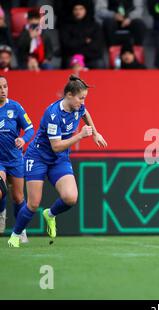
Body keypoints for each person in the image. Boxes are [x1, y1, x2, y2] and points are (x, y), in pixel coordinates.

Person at [7, 75, 107, 248]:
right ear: (68, 95)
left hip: (58, 160)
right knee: (33, 203)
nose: (82, 102)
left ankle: (50, 214)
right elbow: (56, 146)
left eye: (84, 98)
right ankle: (15, 235)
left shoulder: (78, 107)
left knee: (71, 197)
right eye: (80, 98)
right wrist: (81, 135)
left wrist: (95, 133)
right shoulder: (53, 114)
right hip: (38, 157)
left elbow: (85, 113)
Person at [0, 76, 34, 243]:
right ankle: (1, 214)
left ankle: (20, 231)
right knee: (0, 190)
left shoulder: (15, 107)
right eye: (0, 87)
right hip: (0, 160)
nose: (3, 90)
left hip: (15, 159)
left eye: (5, 86)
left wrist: (23, 139)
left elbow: (30, 129)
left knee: (18, 197)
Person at [59, 1, 106, 69]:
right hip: (72, 57)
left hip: (91, 57)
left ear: (86, 10)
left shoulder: (95, 26)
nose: (78, 12)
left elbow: (97, 46)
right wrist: (84, 41)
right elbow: (66, 45)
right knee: (70, 62)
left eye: (81, 9)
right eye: (76, 9)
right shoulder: (66, 26)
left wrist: (80, 50)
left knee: (100, 64)